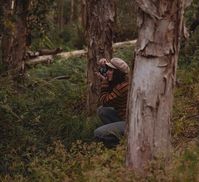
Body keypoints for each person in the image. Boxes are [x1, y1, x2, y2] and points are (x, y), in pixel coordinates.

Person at [94, 57, 130, 146]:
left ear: (117, 73)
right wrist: (105, 64)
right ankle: (117, 135)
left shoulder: (122, 88)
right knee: (102, 111)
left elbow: (104, 101)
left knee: (98, 133)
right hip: (126, 116)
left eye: (110, 70)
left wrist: (105, 81)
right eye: (107, 69)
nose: (107, 72)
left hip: (130, 122)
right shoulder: (124, 81)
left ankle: (119, 146)